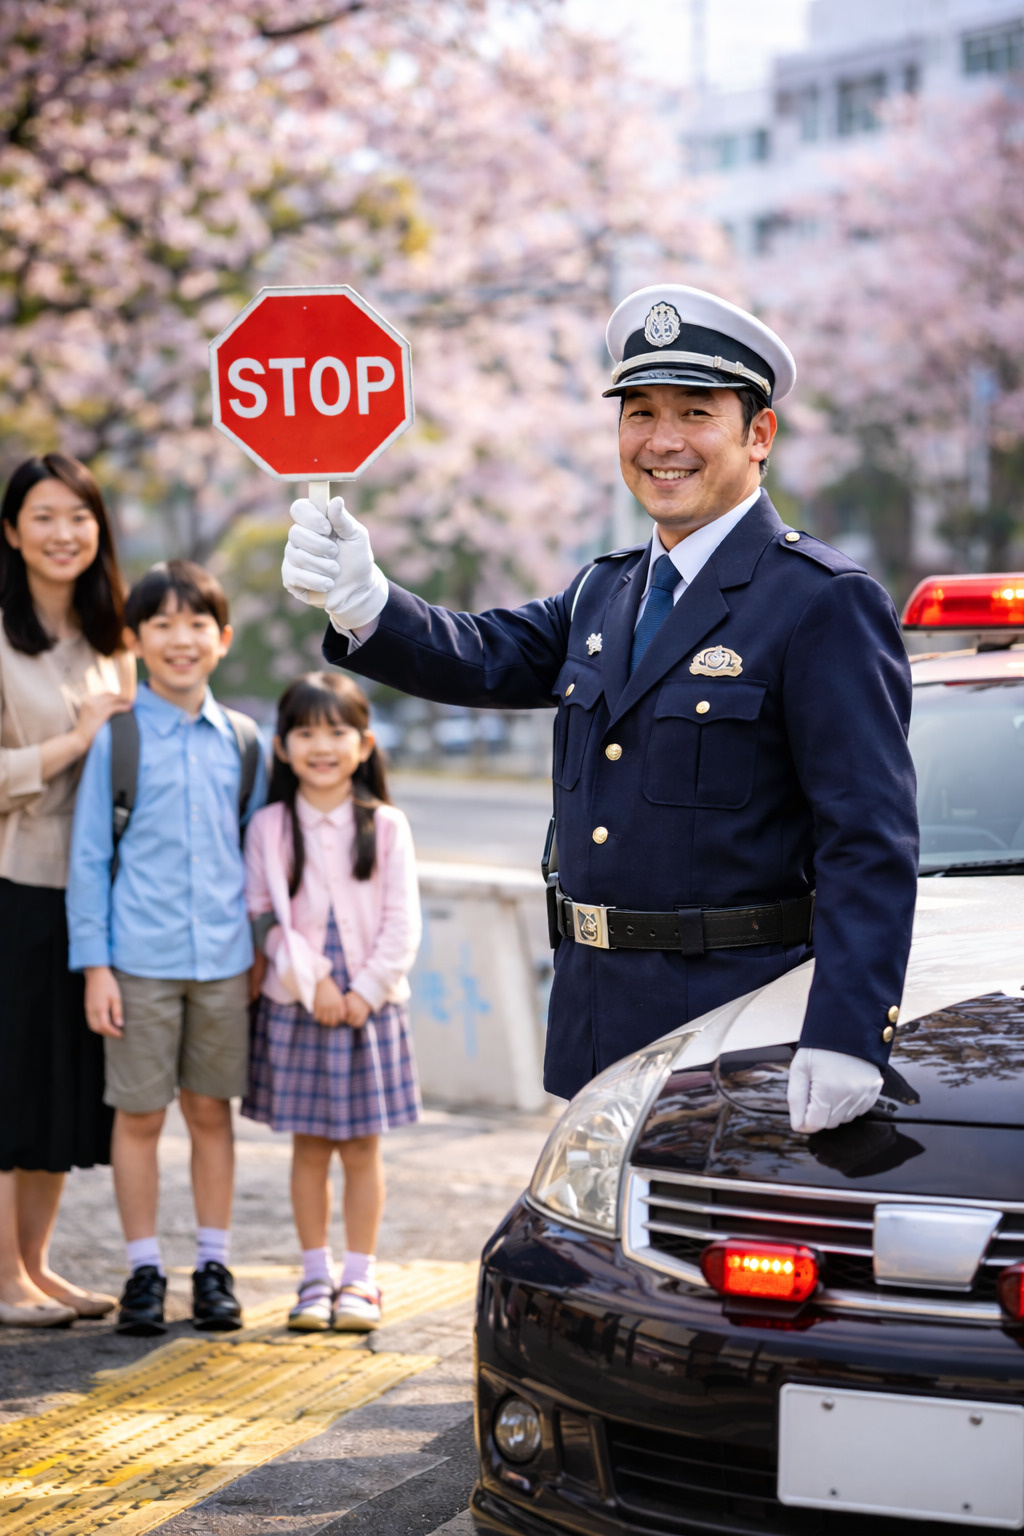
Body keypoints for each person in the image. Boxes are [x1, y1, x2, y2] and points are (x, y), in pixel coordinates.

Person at [281, 284, 919, 1137]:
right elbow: (483, 655)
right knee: (598, 1264)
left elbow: (869, 837)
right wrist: (366, 603)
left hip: (737, 1022)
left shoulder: (820, 601)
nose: (662, 442)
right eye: (639, 413)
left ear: (758, 434)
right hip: (596, 1013)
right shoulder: (606, 588)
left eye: (696, 413)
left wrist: (847, 1033)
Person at [66, 560, 266, 1336]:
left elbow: (257, 860)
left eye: (196, 625)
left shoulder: (244, 743)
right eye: (162, 625)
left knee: (211, 1113)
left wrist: (257, 952)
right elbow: (90, 860)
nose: (180, 640)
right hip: (138, 964)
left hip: (221, 963)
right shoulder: (118, 739)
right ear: (136, 639)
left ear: (221, 640)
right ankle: (143, 1267)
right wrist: (96, 969)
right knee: (140, 1117)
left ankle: (213, 1266)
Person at [241, 672, 420, 1332]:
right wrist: (310, 980)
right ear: (282, 748)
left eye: (337, 731)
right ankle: (314, 1275)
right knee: (310, 1146)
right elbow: (264, 914)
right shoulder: (269, 827)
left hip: (368, 1002)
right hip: (298, 998)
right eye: (305, 732)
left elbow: (404, 923)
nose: (322, 745)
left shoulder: (388, 826)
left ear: (365, 742)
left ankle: (360, 1278)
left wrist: (363, 990)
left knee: (362, 1148)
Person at [0, 453, 134, 1329]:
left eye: (78, 516)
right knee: (10, 1084)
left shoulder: (114, 640)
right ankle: (4, 1279)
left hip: (86, 892)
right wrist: (74, 743)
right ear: (12, 531)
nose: (62, 534)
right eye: (43, 516)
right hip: (11, 881)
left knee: (54, 1085)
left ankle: (35, 1270)